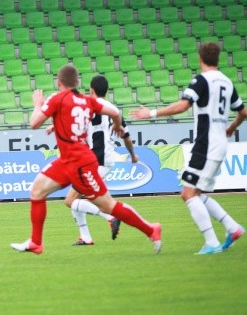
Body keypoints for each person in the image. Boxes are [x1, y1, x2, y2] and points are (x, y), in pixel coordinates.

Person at [11, 64, 162, 255]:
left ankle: (151, 229)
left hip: (82, 164)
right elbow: (115, 112)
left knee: (109, 205)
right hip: (67, 161)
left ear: (59, 82)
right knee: (37, 191)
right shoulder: (87, 101)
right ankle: (36, 242)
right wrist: (117, 125)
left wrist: (37, 105)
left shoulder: (57, 98)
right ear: (77, 83)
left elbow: (34, 123)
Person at [131, 42, 246, 255]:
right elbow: (243, 111)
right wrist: (230, 128)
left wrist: (152, 114)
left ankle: (211, 242)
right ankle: (233, 227)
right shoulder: (227, 82)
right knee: (197, 192)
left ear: (200, 58)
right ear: (218, 59)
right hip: (219, 144)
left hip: (206, 145)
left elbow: (183, 105)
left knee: (187, 193)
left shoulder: (201, 81)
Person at [63, 75, 139, 245]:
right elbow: (126, 137)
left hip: (96, 160)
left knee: (71, 201)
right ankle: (86, 237)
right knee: (82, 200)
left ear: (91, 90)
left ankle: (110, 217)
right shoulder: (113, 110)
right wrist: (133, 155)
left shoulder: (89, 106)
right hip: (103, 160)